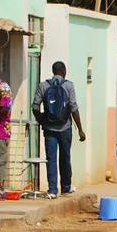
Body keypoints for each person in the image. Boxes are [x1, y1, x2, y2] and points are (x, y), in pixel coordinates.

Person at [32, 62, 86, 198]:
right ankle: (66, 187)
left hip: (49, 128)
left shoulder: (43, 85)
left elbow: (35, 106)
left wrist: (42, 120)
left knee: (51, 159)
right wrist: (80, 129)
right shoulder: (69, 86)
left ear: (53, 71)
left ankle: (52, 190)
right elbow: (73, 108)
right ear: (64, 71)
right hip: (65, 127)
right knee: (65, 158)